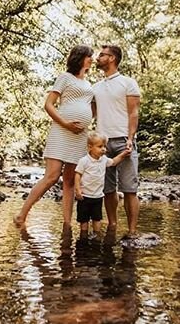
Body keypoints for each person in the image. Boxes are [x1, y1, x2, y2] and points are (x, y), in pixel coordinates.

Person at [13, 45, 95, 227]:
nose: (92, 59)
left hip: (79, 136)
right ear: (80, 57)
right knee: (51, 177)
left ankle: (67, 223)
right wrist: (66, 123)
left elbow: (92, 108)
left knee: (70, 181)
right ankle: (21, 215)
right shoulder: (65, 77)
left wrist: (86, 121)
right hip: (61, 131)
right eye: (89, 56)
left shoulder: (89, 85)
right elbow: (49, 104)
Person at [92, 44, 141, 236]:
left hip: (123, 140)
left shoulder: (128, 83)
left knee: (130, 189)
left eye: (102, 55)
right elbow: (91, 114)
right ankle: (112, 226)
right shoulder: (95, 87)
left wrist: (130, 138)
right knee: (108, 189)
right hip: (101, 143)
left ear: (112, 58)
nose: (98, 58)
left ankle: (132, 231)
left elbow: (133, 113)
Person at [74, 132, 129, 237]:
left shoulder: (103, 160)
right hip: (84, 196)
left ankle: (96, 236)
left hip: (98, 196)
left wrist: (123, 155)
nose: (103, 149)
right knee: (83, 219)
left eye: (104, 146)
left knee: (97, 218)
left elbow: (113, 162)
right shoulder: (84, 161)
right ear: (90, 147)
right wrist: (77, 190)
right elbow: (77, 175)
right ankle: (83, 237)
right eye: (100, 146)